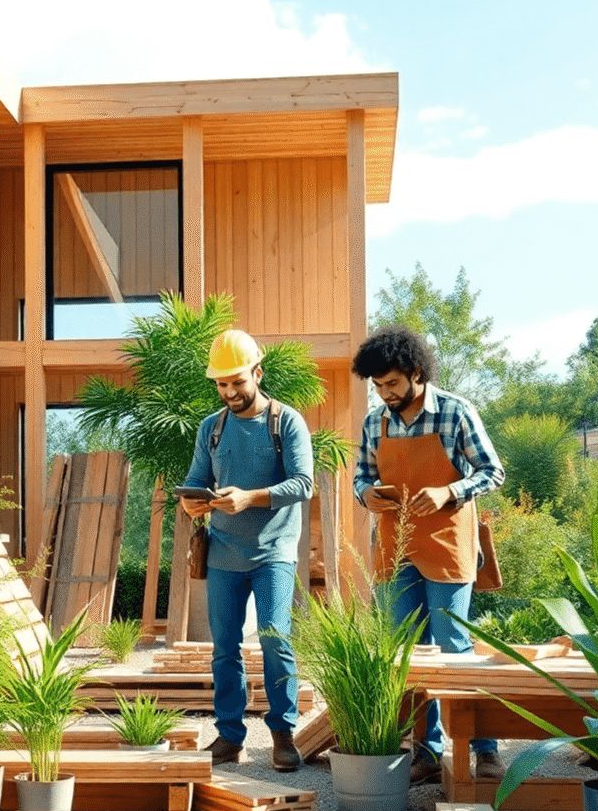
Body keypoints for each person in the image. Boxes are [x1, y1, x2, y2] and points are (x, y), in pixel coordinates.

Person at [350, 325, 506, 784]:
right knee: (406, 652)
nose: (385, 394)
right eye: (377, 386)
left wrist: (449, 491)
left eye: (392, 384)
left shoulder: (456, 411)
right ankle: (427, 750)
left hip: (447, 542)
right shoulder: (373, 422)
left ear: (416, 373)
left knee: (454, 646)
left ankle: (487, 749)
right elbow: (361, 475)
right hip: (395, 546)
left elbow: (492, 471)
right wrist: (366, 495)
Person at [180, 329, 314, 771]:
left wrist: (250, 497)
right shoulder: (211, 428)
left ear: (257, 373)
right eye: (221, 384)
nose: (230, 392)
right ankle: (230, 735)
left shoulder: (286, 422)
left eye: (237, 381)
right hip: (223, 554)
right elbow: (198, 478)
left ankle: (282, 734)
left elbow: (303, 484)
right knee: (224, 648)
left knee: (276, 640)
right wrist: (192, 500)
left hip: (274, 552)